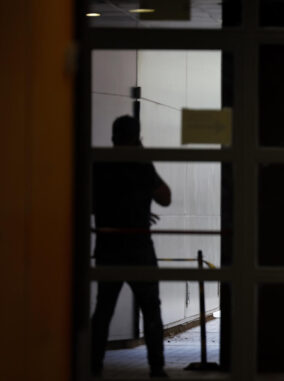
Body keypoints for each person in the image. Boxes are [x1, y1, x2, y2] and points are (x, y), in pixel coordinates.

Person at [90, 115, 171, 378]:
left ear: (113, 137)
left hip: (109, 248)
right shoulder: (141, 165)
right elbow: (165, 198)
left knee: (103, 311)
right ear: (137, 138)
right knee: (151, 310)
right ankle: (156, 368)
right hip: (139, 249)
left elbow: (89, 202)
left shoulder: (100, 165)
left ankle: (93, 365)